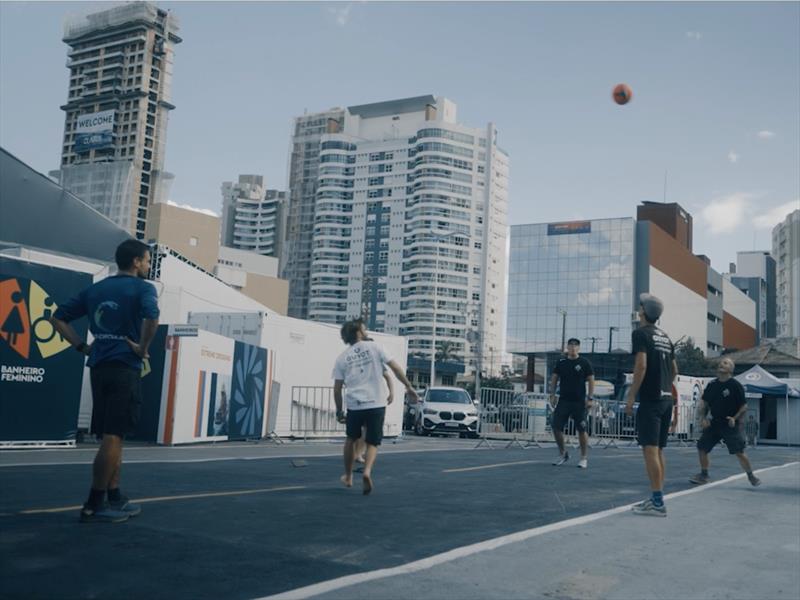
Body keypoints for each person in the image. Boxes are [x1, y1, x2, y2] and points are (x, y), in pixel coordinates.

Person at [51, 239, 159, 523]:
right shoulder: (143, 288)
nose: (148, 265)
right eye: (147, 260)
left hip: (99, 367)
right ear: (136, 262)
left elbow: (58, 318)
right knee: (113, 436)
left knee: (114, 434)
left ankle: (114, 495)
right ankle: (94, 503)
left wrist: (80, 347)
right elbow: (152, 317)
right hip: (125, 367)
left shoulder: (96, 289)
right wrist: (142, 347)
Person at [333, 319, 419, 495]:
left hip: (355, 404)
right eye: (364, 329)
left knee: (351, 439)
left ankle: (348, 476)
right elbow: (394, 369)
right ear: (358, 332)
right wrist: (408, 387)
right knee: (373, 441)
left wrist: (339, 410)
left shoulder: (342, 358)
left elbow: (337, 388)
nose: (366, 331)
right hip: (376, 403)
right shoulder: (376, 347)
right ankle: (367, 471)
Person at [626, 293, 677, 517]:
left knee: (649, 450)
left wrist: (631, 396)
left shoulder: (640, 334)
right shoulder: (665, 337)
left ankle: (657, 503)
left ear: (643, 312)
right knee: (658, 450)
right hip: (666, 399)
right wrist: (665, 384)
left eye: (640, 307)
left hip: (651, 400)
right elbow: (675, 370)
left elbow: (641, 366)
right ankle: (657, 497)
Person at [689, 358, 761, 487]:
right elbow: (703, 403)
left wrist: (735, 418)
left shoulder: (735, 385)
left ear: (731, 369)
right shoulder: (712, 385)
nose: (722, 364)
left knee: (739, 452)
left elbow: (744, 406)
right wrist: (703, 418)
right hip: (715, 422)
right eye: (721, 362)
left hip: (729, 423)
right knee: (702, 447)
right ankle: (704, 475)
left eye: (726, 363)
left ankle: (751, 476)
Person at [549, 338, 595, 468]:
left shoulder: (584, 363)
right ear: (567, 348)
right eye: (570, 346)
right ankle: (563, 454)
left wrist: (590, 398)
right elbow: (554, 378)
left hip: (579, 402)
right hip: (563, 400)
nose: (573, 348)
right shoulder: (561, 362)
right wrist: (552, 394)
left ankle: (583, 458)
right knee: (556, 426)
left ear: (579, 348)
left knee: (581, 429)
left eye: (575, 346)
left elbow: (591, 380)